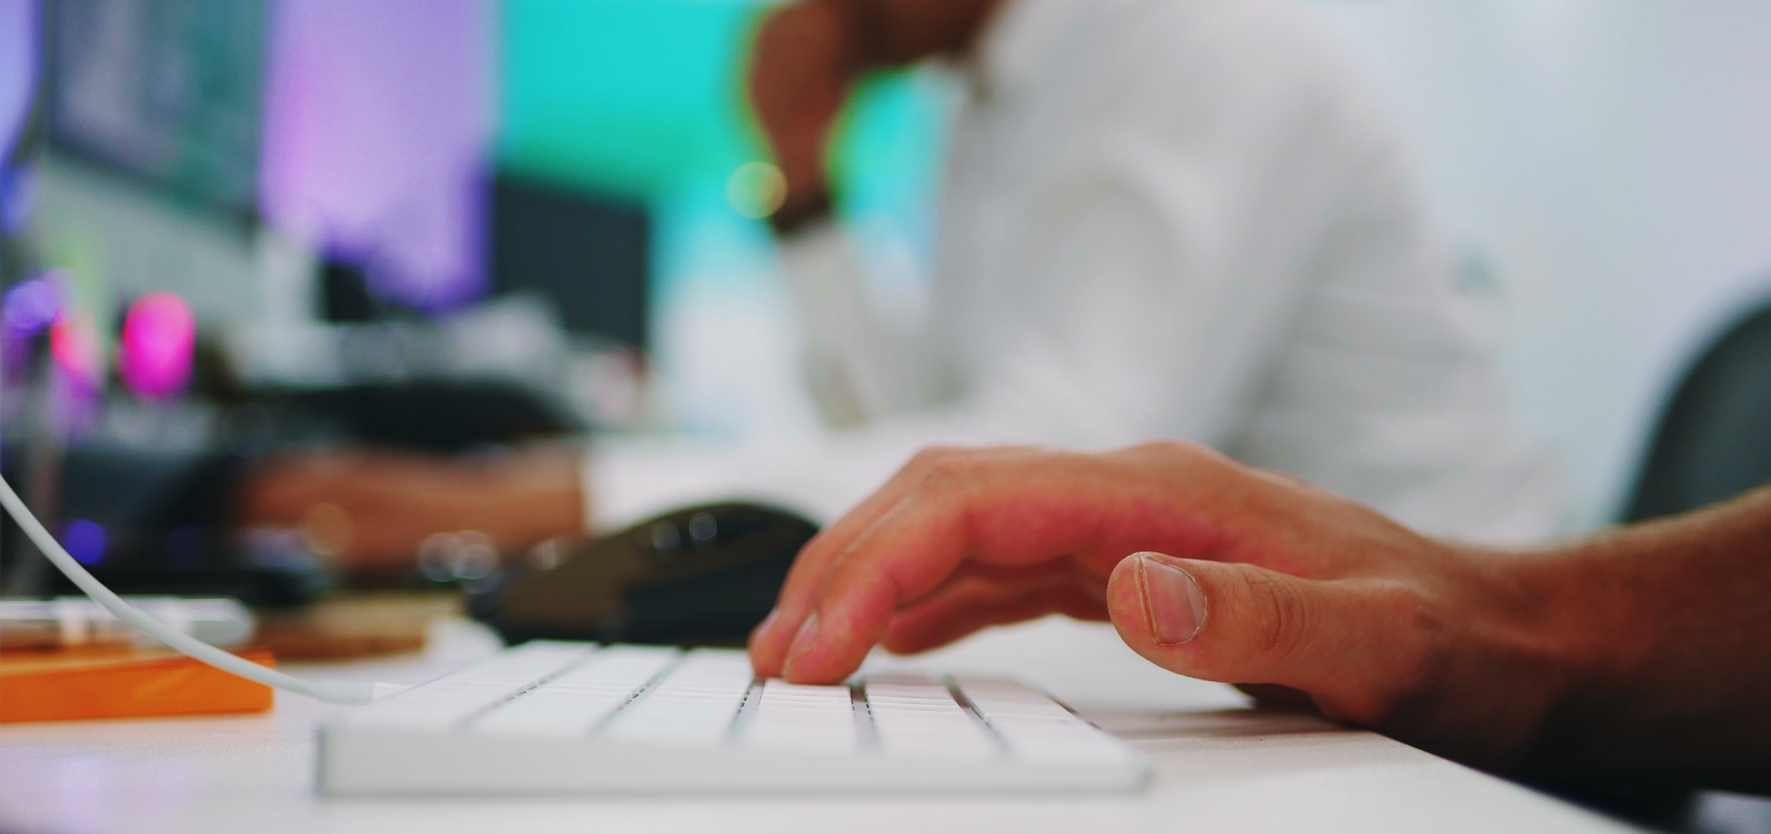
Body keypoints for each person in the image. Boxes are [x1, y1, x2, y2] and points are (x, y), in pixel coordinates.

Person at [239, 0, 1564, 575]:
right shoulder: (990, 94)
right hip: (1287, 673)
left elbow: (1059, 469)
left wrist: (535, 502)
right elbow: (935, 430)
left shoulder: (1205, 48)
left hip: (1494, 731)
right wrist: (804, 184)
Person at [747, 441, 1771, 789]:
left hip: (1522, 777)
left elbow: (1072, 402)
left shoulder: (1201, 55)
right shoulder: (967, 127)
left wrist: (1522, 623)